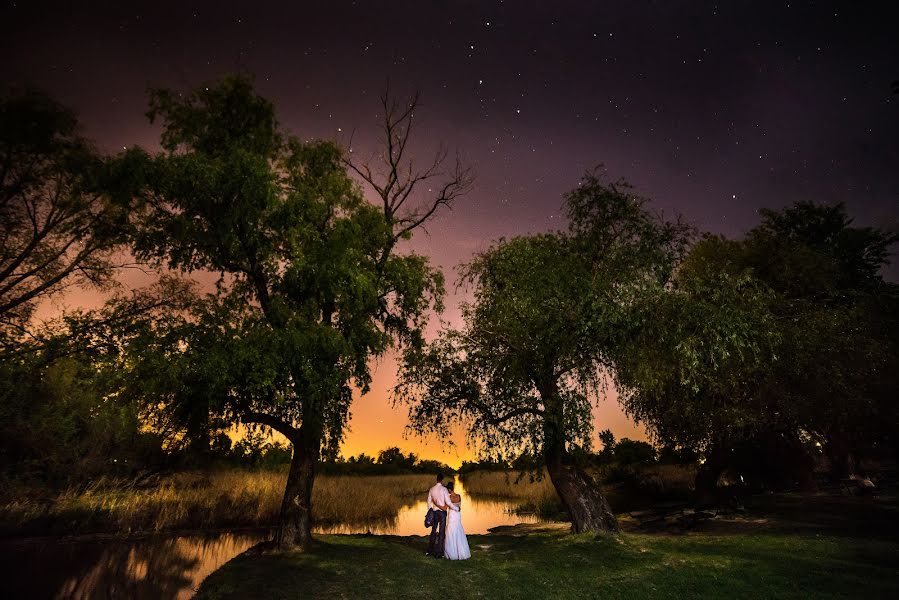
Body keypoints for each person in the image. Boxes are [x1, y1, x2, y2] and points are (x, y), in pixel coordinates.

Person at [426, 473, 454, 558]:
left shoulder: (432, 489)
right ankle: (439, 553)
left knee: (433, 531)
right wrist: (455, 508)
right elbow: (448, 502)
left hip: (434, 512)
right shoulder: (444, 489)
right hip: (442, 513)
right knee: (441, 532)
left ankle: (430, 551)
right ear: (442, 480)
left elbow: (428, 502)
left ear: (436, 479)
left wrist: (430, 511)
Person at [443, 480, 471, 560]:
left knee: (450, 532)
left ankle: (452, 553)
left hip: (452, 516)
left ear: (449, 489)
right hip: (457, 516)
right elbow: (459, 508)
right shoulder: (459, 496)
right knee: (458, 530)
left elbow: (445, 508)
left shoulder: (448, 498)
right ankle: (462, 552)